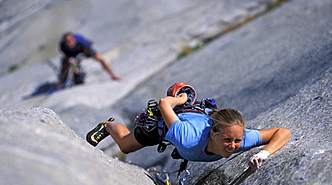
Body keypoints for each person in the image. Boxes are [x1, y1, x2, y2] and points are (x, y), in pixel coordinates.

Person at [86, 83, 291, 171]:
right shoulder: (187, 137)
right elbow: (163, 104)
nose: (233, 145)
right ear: (213, 135)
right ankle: (108, 125)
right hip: (165, 125)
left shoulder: (243, 139)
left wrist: (264, 154)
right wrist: (181, 99)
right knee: (125, 146)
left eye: (237, 140)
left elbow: (282, 132)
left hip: (198, 117)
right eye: (228, 140)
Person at [57, 32, 123, 88]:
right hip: (72, 53)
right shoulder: (62, 45)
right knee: (66, 64)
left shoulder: (80, 41)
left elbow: (86, 50)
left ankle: (113, 75)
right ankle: (62, 81)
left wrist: (83, 57)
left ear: (74, 39)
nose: (70, 42)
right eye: (67, 41)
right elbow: (66, 54)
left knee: (101, 59)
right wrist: (72, 61)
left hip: (84, 50)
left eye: (71, 40)